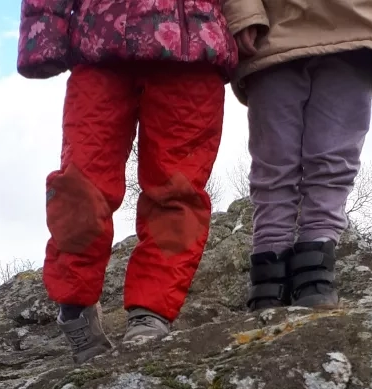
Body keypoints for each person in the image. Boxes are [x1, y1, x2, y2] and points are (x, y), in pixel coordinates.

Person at [17, 0, 238, 363]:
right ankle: (75, 303)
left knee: (178, 192)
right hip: (102, 41)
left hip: (195, 44)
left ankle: (152, 310)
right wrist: (43, 32)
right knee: (80, 184)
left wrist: (252, 28)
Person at [223, 0, 372, 311]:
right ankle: (278, 269)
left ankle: (306, 267)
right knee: (276, 164)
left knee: (329, 161)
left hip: (357, 25)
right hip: (275, 29)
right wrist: (243, 12)